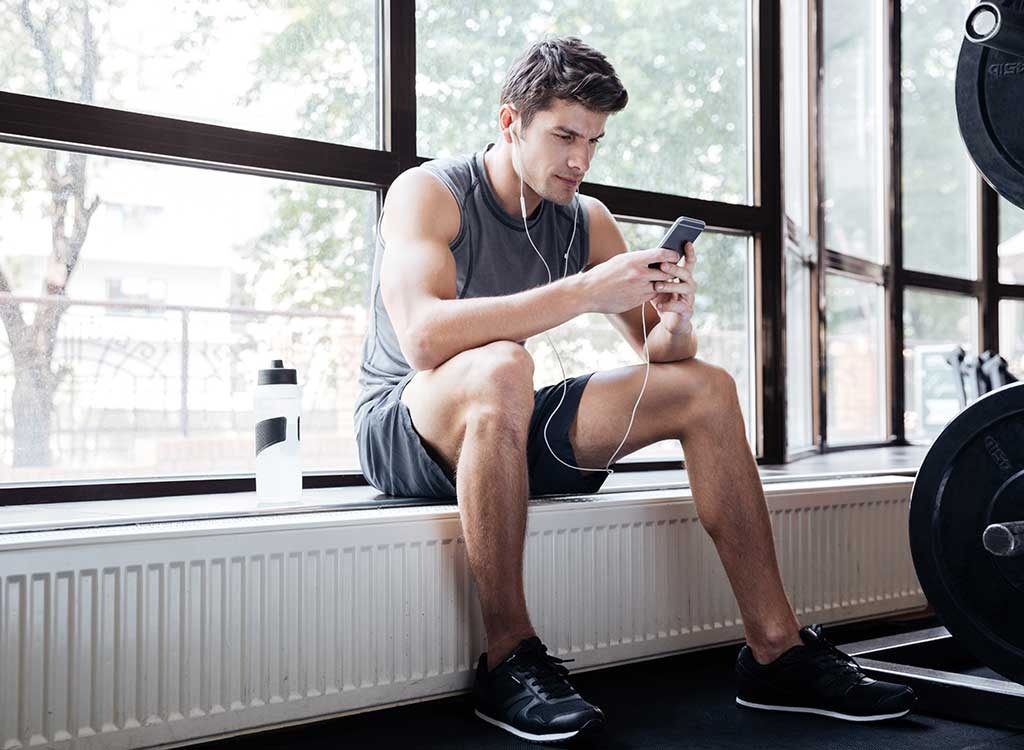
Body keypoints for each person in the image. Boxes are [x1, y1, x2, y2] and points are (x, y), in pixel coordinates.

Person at [353, 36, 916, 745]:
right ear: (510, 123)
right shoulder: (429, 192)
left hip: (504, 421)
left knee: (705, 387)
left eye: (594, 141)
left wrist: (675, 318)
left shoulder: (586, 218)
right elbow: (424, 339)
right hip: (407, 426)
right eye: (563, 136)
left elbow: (662, 355)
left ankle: (777, 651)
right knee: (501, 364)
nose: (580, 161)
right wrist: (585, 290)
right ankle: (508, 658)